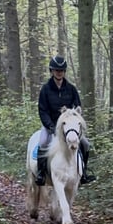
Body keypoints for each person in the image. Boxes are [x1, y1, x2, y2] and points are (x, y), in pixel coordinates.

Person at [35, 55, 95, 186]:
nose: (59, 73)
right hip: (50, 125)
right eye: (56, 70)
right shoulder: (45, 89)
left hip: (69, 127)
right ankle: (41, 173)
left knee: (85, 144)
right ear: (52, 71)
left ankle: (83, 173)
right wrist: (50, 126)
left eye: (61, 70)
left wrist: (73, 121)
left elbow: (77, 108)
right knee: (43, 142)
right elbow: (42, 110)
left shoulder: (71, 89)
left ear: (64, 72)